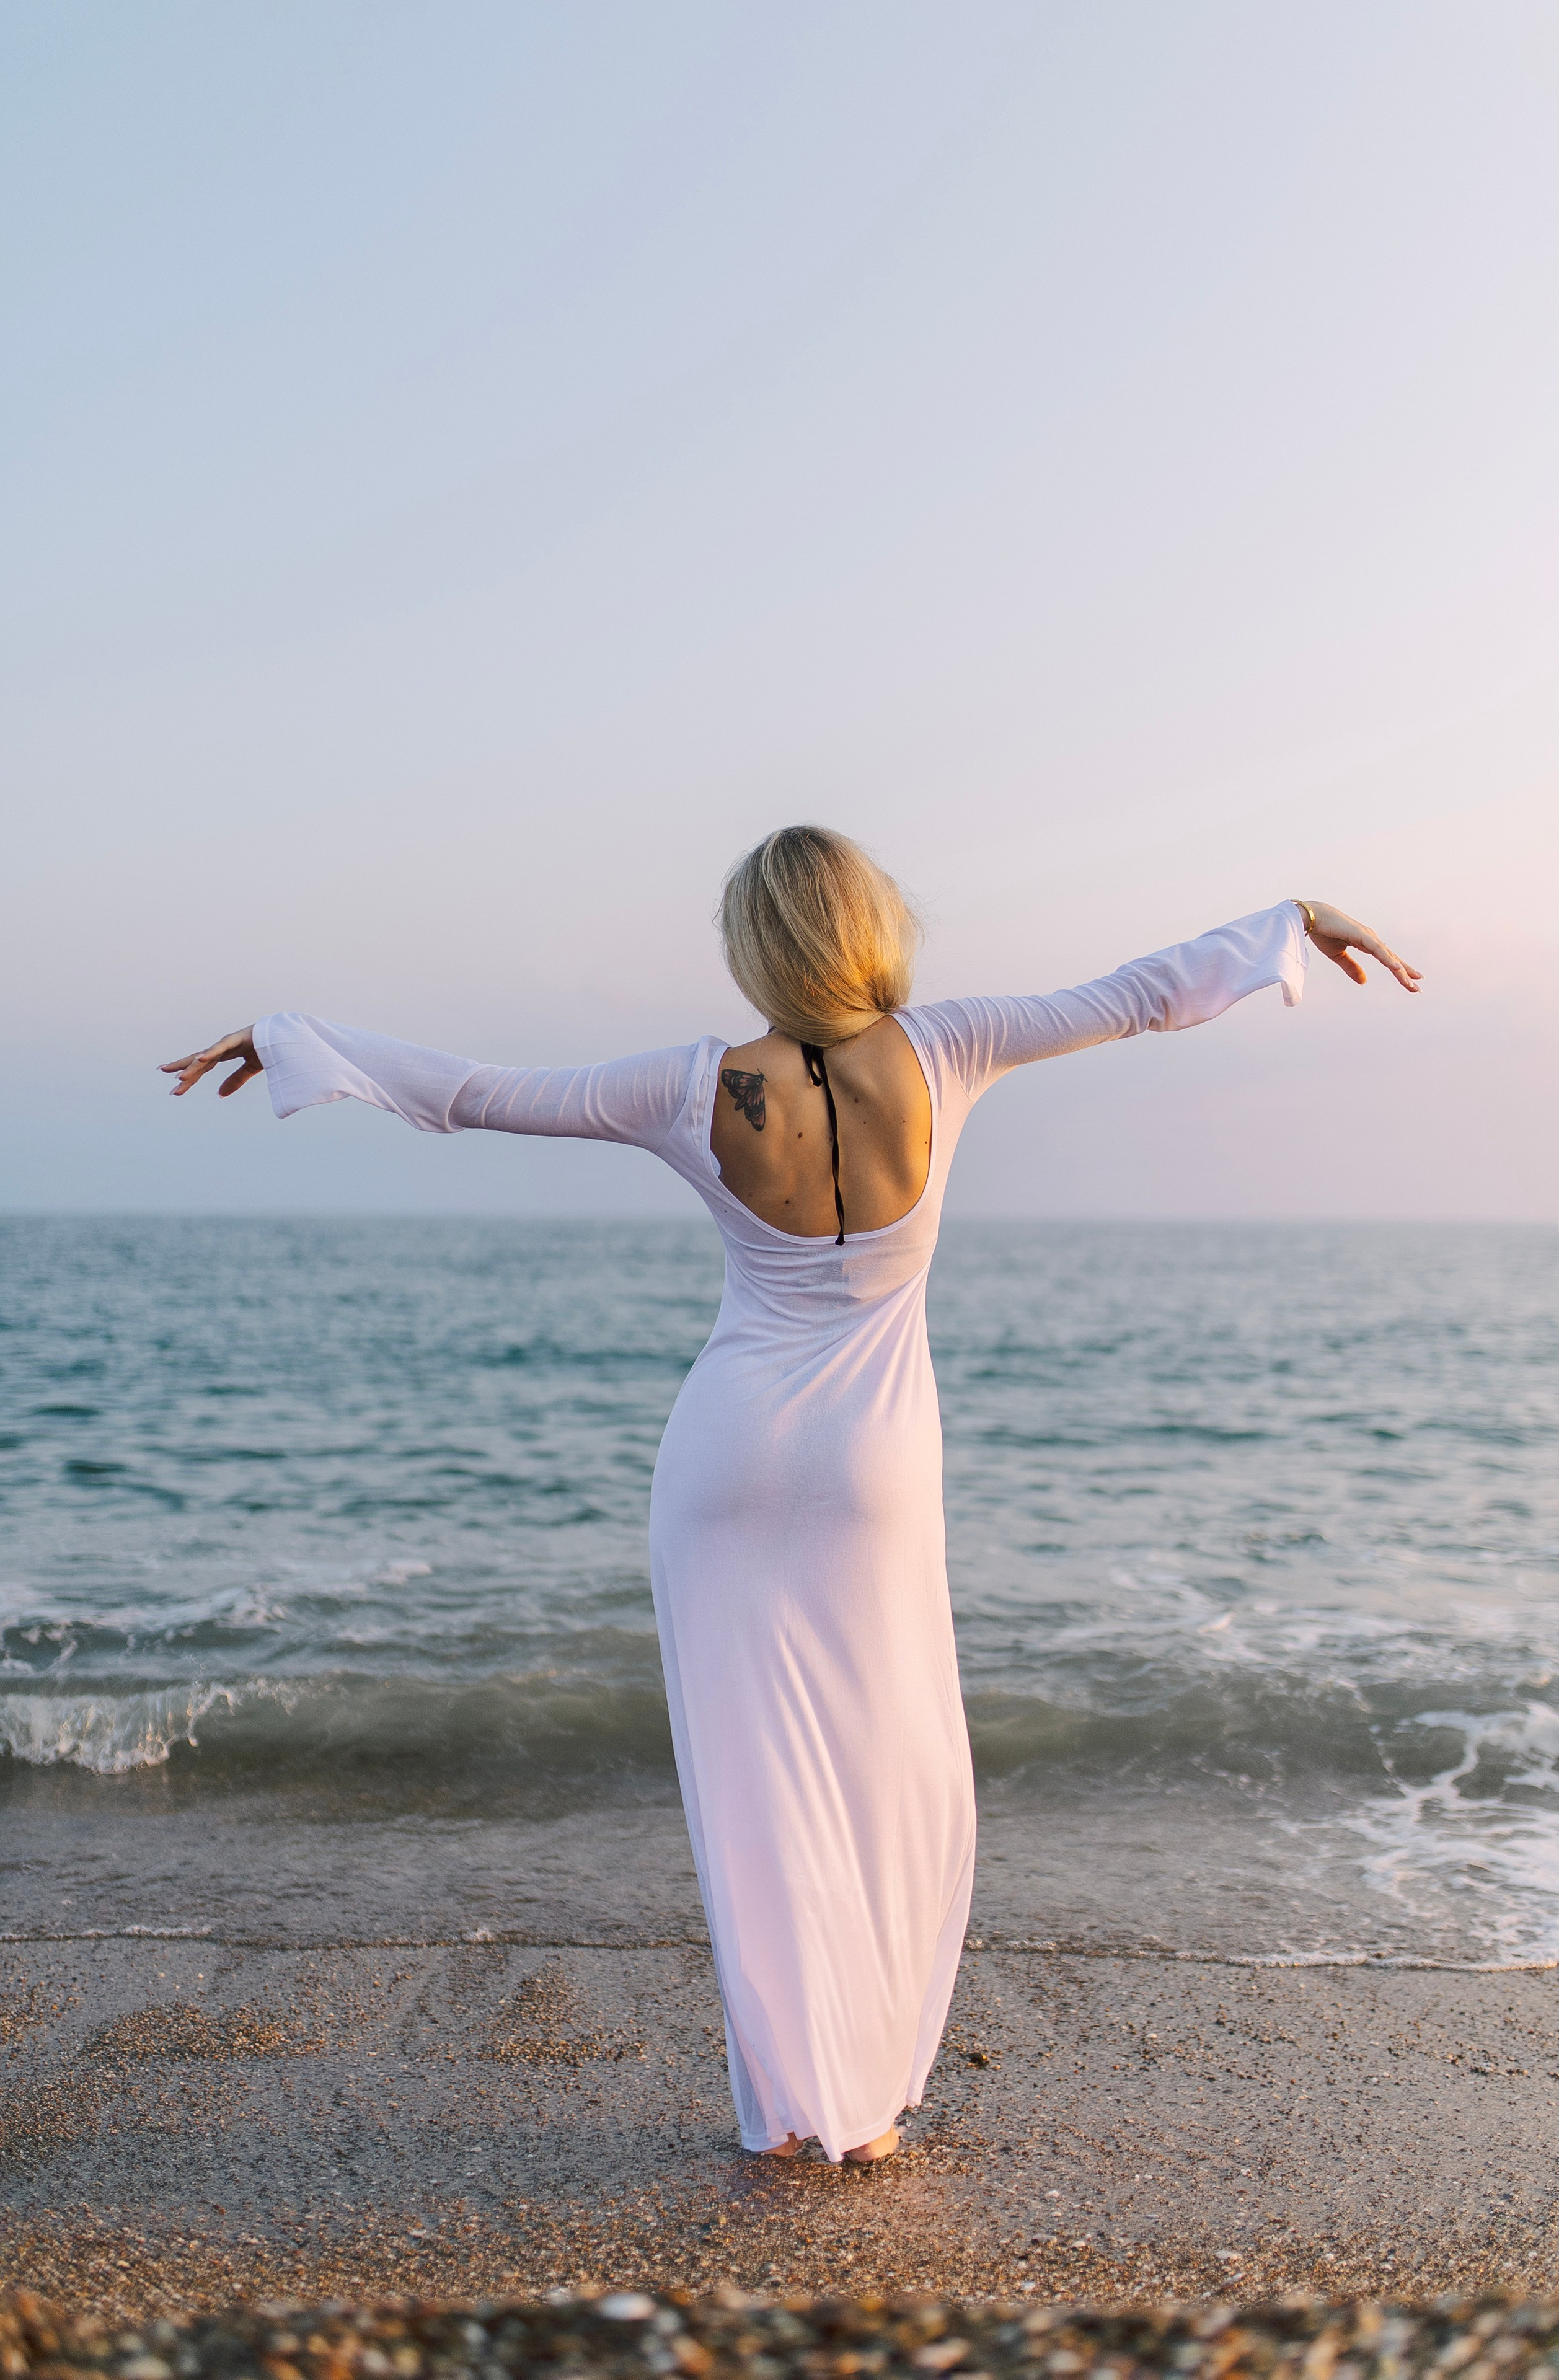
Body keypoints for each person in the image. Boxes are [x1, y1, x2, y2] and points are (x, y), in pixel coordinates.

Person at [164, 827, 1420, 2165]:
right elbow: (1134, 994)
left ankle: (784, 2111)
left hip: (723, 1456)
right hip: (870, 1469)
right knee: (896, 1772)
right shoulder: (948, 1047)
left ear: (754, 943)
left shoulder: (688, 1084)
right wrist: (1291, 918)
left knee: (751, 1791)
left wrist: (294, 1038)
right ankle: (862, 2108)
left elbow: (476, 1091)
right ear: (869, 925)